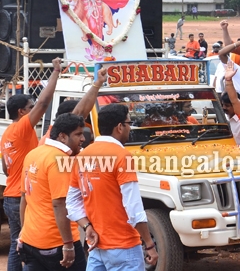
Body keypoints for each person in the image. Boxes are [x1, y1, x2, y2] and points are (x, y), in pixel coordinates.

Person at [66, 104, 159, 270]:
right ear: (119, 127)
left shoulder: (82, 156)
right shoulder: (122, 156)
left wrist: (87, 227)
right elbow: (133, 208)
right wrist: (150, 243)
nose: (130, 128)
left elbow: (72, 204)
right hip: (125, 247)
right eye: (129, 123)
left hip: (96, 247)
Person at [0, 57, 61, 271]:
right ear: (22, 113)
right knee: (29, 246)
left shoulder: (7, 134)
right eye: (30, 107)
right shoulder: (21, 129)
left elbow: (6, 169)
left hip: (10, 196)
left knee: (18, 243)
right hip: (21, 197)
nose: (34, 108)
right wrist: (55, 72)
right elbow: (44, 103)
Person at [19, 113, 90, 270]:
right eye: (78, 134)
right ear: (62, 137)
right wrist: (68, 244)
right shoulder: (60, 160)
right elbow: (59, 204)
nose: (83, 139)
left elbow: (25, 197)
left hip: (31, 241)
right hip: (56, 243)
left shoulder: (34, 153)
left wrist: (22, 236)